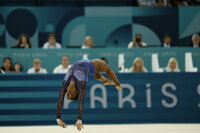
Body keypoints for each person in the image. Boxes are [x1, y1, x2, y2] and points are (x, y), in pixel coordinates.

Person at [56, 59, 122, 131]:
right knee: (104, 69)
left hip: (90, 64)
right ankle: (116, 83)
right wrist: (79, 119)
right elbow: (81, 102)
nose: (69, 92)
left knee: (99, 71)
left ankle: (106, 81)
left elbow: (60, 100)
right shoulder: (81, 84)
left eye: (67, 94)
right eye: (71, 94)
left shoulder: (65, 84)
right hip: (92, 64)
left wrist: (58, 118)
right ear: (77, 92)